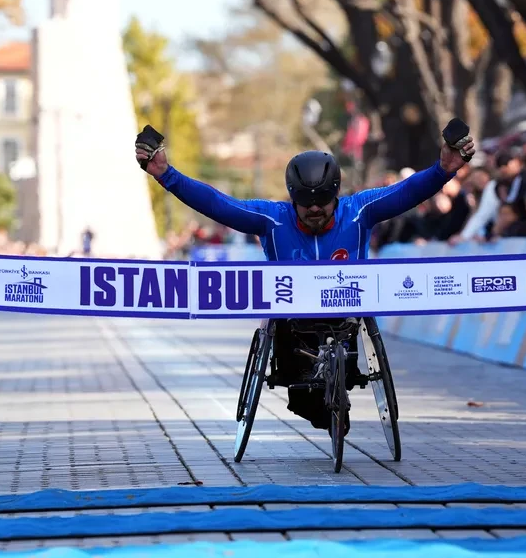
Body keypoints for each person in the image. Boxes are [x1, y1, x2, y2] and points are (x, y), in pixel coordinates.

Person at [136, 124, 475, 432]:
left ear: (336, 195)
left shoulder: (359, 211)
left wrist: (442, 171)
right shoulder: (272, 218)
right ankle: (318, 404)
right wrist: (167, 175)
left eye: (323, 203)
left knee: (334, 373)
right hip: (291, 325)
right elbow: (218, 203)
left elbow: (408, 191)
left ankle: (334, 384)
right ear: (291, 198)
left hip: (345, 318)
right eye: (306, 204)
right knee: (307, 403)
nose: (315, 210)